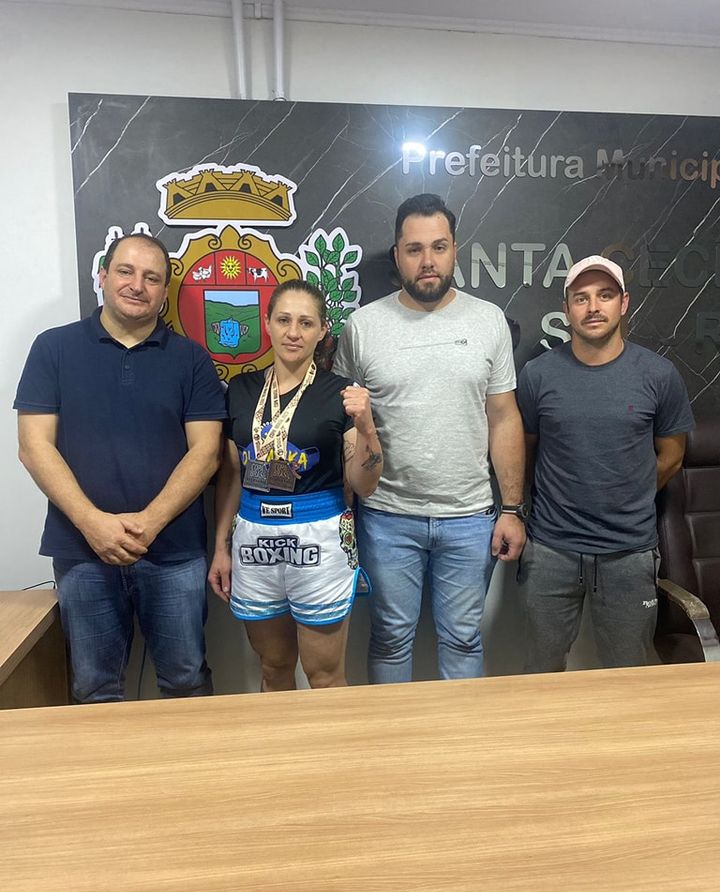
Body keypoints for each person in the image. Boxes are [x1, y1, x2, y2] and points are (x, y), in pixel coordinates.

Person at [14, 234, 226, 703]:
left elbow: (206, 453)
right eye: (126, 271)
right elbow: (33, 447)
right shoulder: (53, 348)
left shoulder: (191, 359)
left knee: (186, 682)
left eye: (152, 278)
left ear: (164, 291)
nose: (137, 285)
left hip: (173, 551)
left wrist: (149, 523)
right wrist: (92, 523)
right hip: (82, 550)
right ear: (103, 276)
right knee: (94, 688)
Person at [333, 193, 526, 683]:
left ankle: (460, 737)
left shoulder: (488, 321)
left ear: (455, 250)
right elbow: (345, 424)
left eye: (438, 247)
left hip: (469, 518)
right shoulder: (363, 327)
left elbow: (504, 418)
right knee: (390, 638)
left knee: (463, 639)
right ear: (397, 255)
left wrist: (511, 508)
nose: (427, 261)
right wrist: (347, 504)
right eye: (414, 249)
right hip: (386, 517)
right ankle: (393, 736)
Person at [516, 255, 695, 672]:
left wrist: (626, 495)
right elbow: (524, 452)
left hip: (628, 552)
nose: (593, 307)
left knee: (627, 673)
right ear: (567, 309)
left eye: (605, 295)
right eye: (581, 298)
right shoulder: (537, 375)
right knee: (539, 674)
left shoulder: (659, 375)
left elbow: (672, 456)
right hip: (551, 549)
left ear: (624, 303)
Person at [208, 279, 382, 690]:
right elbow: (231, 475)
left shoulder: (340, 393)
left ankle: (331, 739)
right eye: (284, 320)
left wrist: (367, 428)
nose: (293, 332)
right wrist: (220, 547)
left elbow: (364, 484)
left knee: (325, 676)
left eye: (306, 323)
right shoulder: (241, 389)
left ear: (322, 331)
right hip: (254, 537)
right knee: (273, 669)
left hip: (317, 536)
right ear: (266, 323)